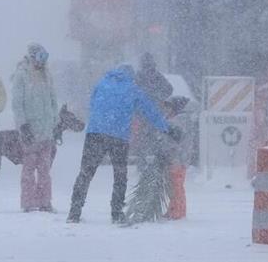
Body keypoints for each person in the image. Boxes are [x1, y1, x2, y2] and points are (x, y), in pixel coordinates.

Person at [67, 64, 181, 224]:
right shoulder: (132, 88)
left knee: (85, 173)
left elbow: (92, 105)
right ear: (131, 75)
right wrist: (167, 129)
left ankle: (74, 211)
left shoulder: (101, 83)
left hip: (95, 133)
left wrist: (100, 122)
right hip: (118, 136)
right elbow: (150, 111)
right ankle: (116, 212)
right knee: (120, 175)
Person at [12, 43, 58, 213]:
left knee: (45, 169)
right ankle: (28, 202)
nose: (42, 62)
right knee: (29, 169)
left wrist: (54, 120)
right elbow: (17, 103)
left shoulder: (47, 75)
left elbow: (53, 100)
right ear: (32, 57)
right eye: (39, 58)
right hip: (30, 130)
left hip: (46, 131)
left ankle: (45, 201)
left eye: (44, 58)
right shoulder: (22, 76)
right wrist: (22, 124)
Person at [132, 53, 174, 169]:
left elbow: (132, 92)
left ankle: (142, 164)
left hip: (141, 114)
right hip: (156, 113)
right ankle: (157, 164)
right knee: (156, 138)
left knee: (142, 138)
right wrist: (158, 97)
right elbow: (169, 89)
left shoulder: (138, 76)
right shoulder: (157, 76)